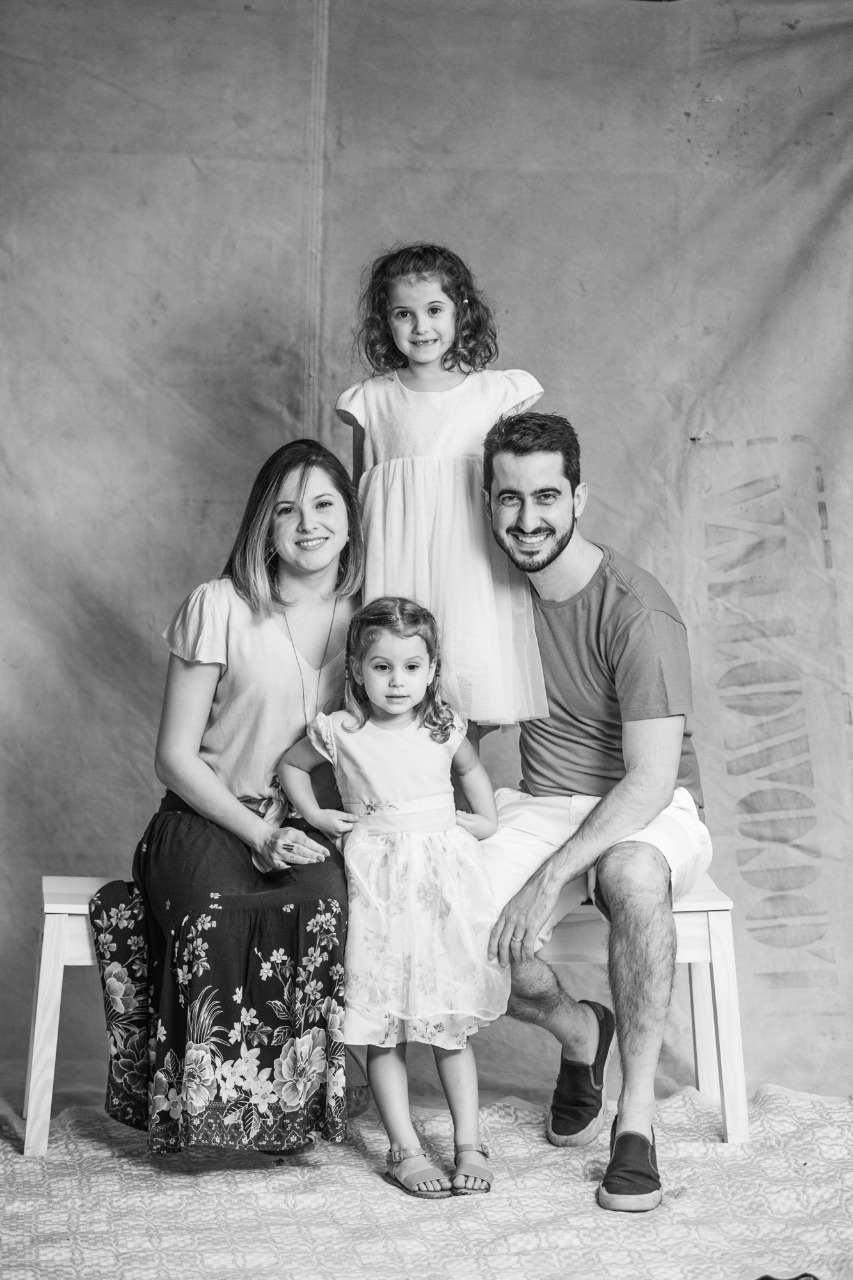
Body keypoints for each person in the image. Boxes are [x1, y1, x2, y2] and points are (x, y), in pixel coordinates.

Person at [89, 439, 364, 1154]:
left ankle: (290, 1116)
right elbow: (174, 757)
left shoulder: (372, 620)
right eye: (286, 509)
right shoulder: (218, 605)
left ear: (350, 517)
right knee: (217, 913)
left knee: (322, 905)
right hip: (206, 818)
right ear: (263, 526)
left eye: (324, 504)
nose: (307, 523)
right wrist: (258, 832)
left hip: (308, 825)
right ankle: (203, 1113)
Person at [478, 411, 713, 1212]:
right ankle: (580, 1032)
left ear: (578, 498)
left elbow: (646, 782)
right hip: (542, 803)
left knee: (633, 874)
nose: (527, 518)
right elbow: (454, 726)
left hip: (649, 809)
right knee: (455, 920)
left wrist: (548, 879)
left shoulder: (635, 607)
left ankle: (635, 1119)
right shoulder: (493, 601)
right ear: (488, 503)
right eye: (509, 498)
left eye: (546, 496)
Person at [279, 597, 509, 1197]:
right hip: (377, 887)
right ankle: (404, 1147)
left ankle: (468, 1142)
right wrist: (316, 816)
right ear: (357, 669)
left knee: (448, 1023)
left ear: (432, 670)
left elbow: (470, 772)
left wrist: (483, 819)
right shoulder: (342, 730)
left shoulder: (442, 726)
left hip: (437, 885)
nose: (397, 681)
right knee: (384, 1024)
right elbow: (291, 768)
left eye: (411, 667)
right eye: (382, 667)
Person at [335, 242, 548, 725]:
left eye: (434, 310)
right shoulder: (371, 401)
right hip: (397, 564)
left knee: (467, 686)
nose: (420, 327)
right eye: (403, 314)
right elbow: (360, 496)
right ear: (385, 321)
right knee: (397, 687)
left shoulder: (497, 393)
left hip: (471, 567)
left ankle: (460, 773)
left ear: (461, 311)